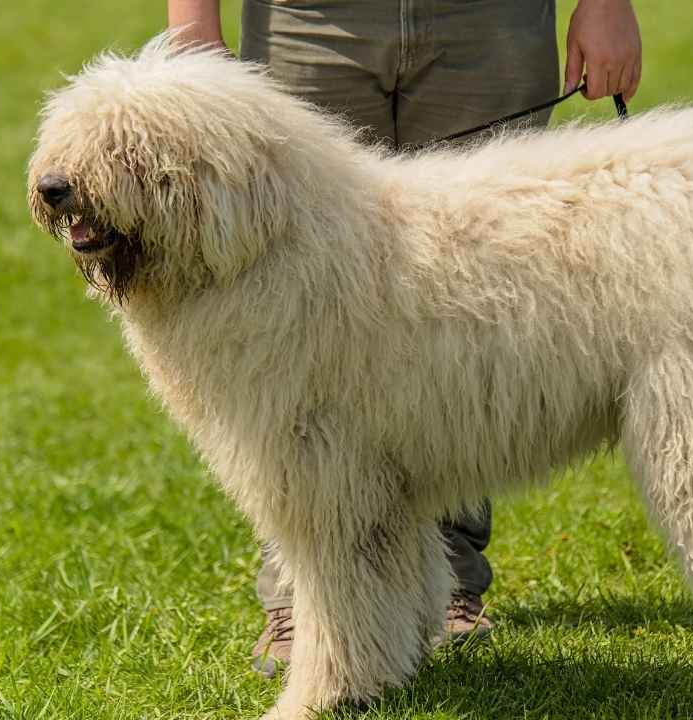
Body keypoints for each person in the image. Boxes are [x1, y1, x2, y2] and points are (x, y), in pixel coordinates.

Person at [166, 0, 642, 677]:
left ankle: (446, 584)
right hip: (306, 21)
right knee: (283, 315)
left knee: (473, 305)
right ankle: (307, 599)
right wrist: (192, 26)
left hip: (488, 24)